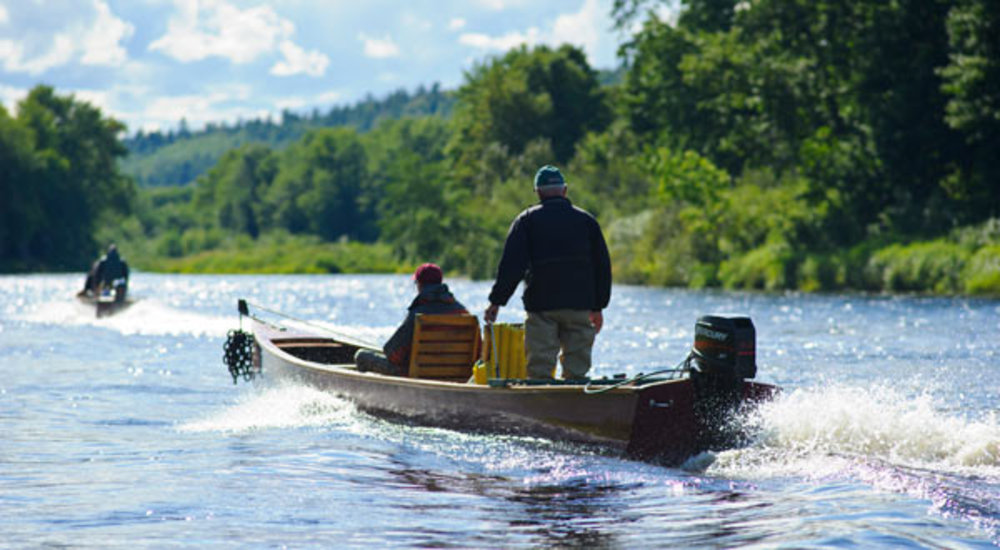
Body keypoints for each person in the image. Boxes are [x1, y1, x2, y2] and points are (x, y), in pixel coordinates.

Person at [484, 165, 612, 381]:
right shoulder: (587, 221)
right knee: (577, 370)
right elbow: (602, 267)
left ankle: (542, 403)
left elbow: (511, 267)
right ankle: (578, 404)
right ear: (565, 190)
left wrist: (496, 302)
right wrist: (598, 306)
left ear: (538, 192)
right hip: (580, 305)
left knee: (540, 368)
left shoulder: (526, 221)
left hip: (542, 306)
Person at [355, 263, 470, 376]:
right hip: (456, 374)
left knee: (361, 356)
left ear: (420, 285)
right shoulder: (463, 313)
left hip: (418, 373)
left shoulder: (417, 315)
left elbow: (393, 354)